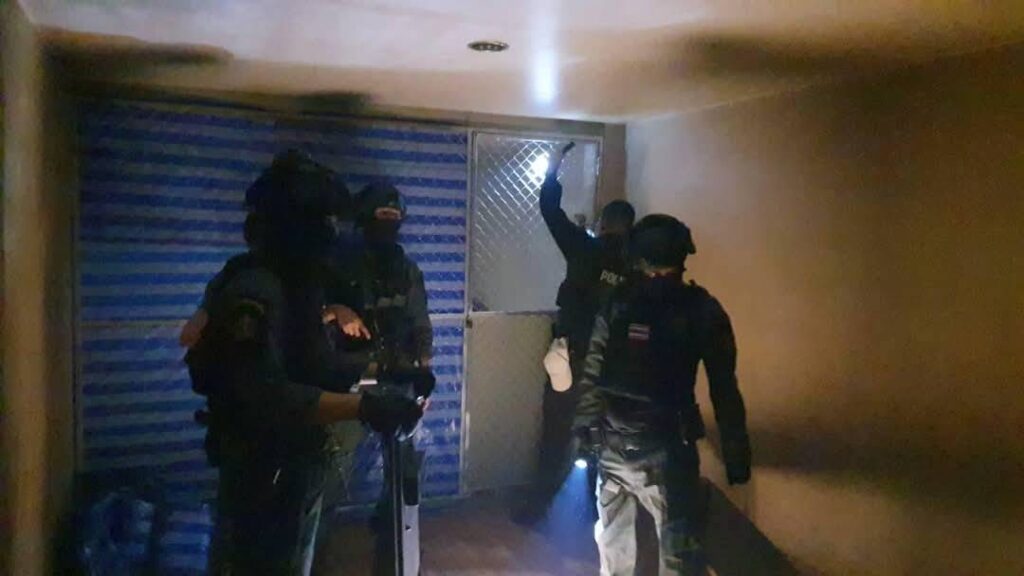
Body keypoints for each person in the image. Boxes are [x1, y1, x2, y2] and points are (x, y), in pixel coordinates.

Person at [185, 151, 423, 576]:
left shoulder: (298, 285)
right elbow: (266, 393)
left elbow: (316, 362)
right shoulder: (255, 290)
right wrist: (364, 407)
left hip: (293, 463)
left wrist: (383, 370)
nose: (330, 233)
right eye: (321, 221)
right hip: (260, 468)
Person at [574, 214, 751, 576]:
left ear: (637, 257)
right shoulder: (702, 309)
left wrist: (584, 429)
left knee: (614, 553)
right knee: (678, 559)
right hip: (668, 452)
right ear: (682, 256)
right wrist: (736, 458)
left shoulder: (618, 303)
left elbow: (593, 371)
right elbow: (724, 389)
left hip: (611, 445)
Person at [514, 169, 636, 524]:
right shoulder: (634, 265)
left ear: (602, 224)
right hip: (613, 367)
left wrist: (553, 171)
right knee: (603, 434)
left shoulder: (585, 247)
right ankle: (594, 512)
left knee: (557, 432)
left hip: (570, 357)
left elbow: (550, 211)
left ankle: (537, 510)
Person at [326, 181, 435, 575]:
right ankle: (318, 550)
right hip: (355, 381)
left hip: (400, 379)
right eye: (382, 216)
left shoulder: (407, 270)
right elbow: (314, 312)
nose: (389, 223)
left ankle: (393, 550)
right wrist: (338, 310)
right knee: (331, 472)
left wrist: (423, 375)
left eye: (394, 217)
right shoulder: (341, 265)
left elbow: (421, 324)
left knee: (403, 475)